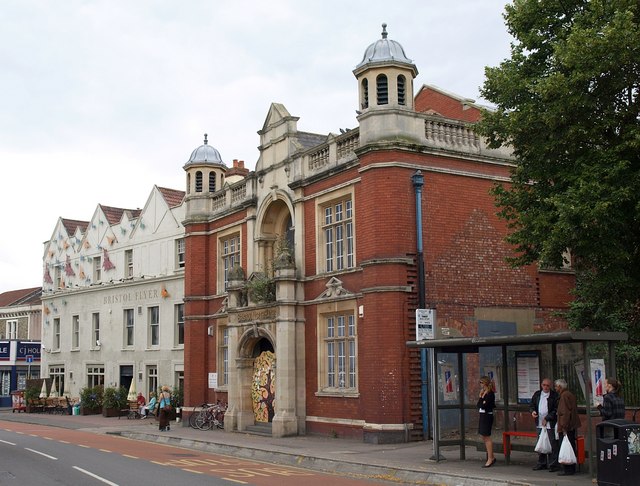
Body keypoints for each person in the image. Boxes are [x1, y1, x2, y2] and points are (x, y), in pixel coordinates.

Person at [529, 378, 560, 471]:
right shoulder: (537, 394)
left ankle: (553, 464)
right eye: (544, 385)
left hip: (550, 423)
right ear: (541, 385)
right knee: (541, 442)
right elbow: (532, 405)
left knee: (552, 443)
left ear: (550, 386)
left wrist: (547, 418)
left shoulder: (554, 395)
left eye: (547, 385)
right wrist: (533, 411)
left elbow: (555, 409)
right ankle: (542, 462)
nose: (545, 387)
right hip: (539, 422)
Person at [555, 378, 581, 476]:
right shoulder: (569, 394)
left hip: (566, 427)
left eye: (556, 386)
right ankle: (571, 467)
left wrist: (563, 426)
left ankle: (568, 468)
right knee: (570, 446)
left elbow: (564, 413)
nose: (555, 388)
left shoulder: (564, 396)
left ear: (560, 387)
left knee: (566, 446)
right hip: (571, 425)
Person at [477, 376, 496, 468]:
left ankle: (490, 458)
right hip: (482, 415)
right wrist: (481, 397)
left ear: (485, 383)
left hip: (487, 415)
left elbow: (484, 406)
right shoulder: (483, 393)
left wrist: (482, 399)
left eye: (481, 382)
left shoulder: (490, 394)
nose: (480, 385)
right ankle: (491, 456)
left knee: (486, 436)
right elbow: (479, 405)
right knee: (483, 436)